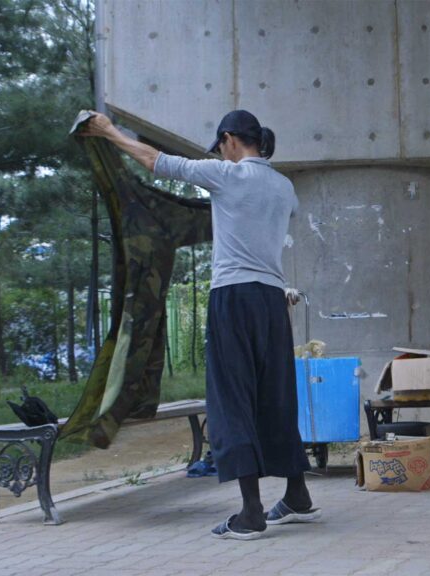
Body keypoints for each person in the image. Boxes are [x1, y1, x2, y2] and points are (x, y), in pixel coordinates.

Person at [80, 109, 317, 541]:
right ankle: (297, 494)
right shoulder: (284, 187)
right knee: (275, 397)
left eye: (221, 147)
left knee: (231, 400)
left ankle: (250, 512)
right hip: (271, 299)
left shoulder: (228, 175)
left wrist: (109, 131)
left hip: (233, 297)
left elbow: (156, 162)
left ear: (229, 139)